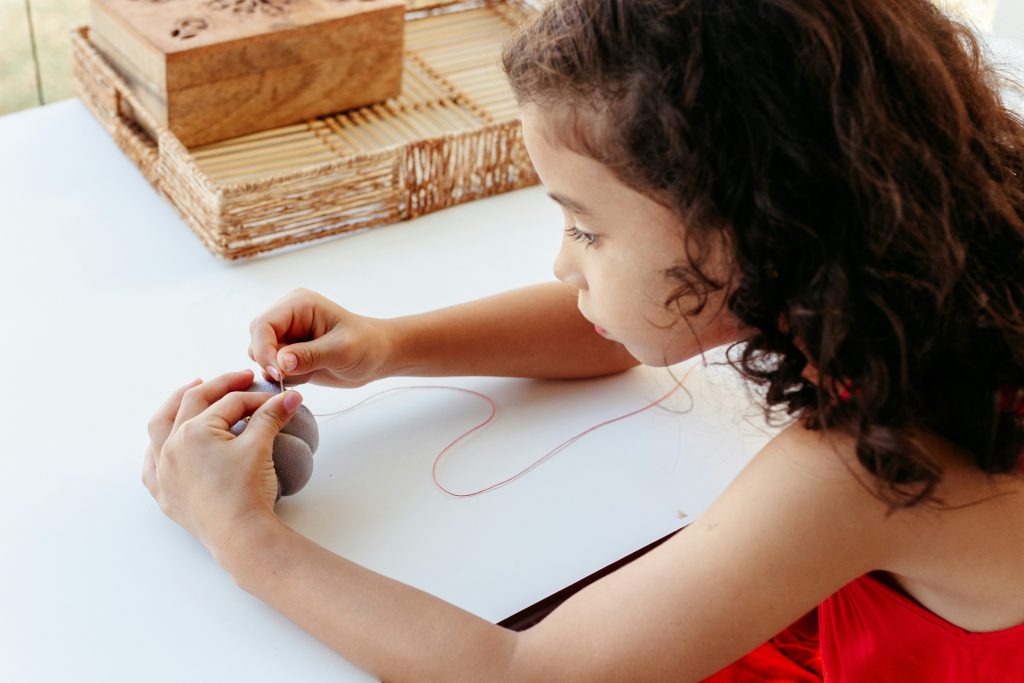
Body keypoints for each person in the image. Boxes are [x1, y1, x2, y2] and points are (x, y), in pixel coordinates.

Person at [141, 0, 1024, 679]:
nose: (564, 264)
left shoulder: (872, 468)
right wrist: (389, 344)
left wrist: (240, 534)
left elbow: (531, 673)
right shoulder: (928, 256)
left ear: (746, 227)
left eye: (587, 230)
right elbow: (620, 329)